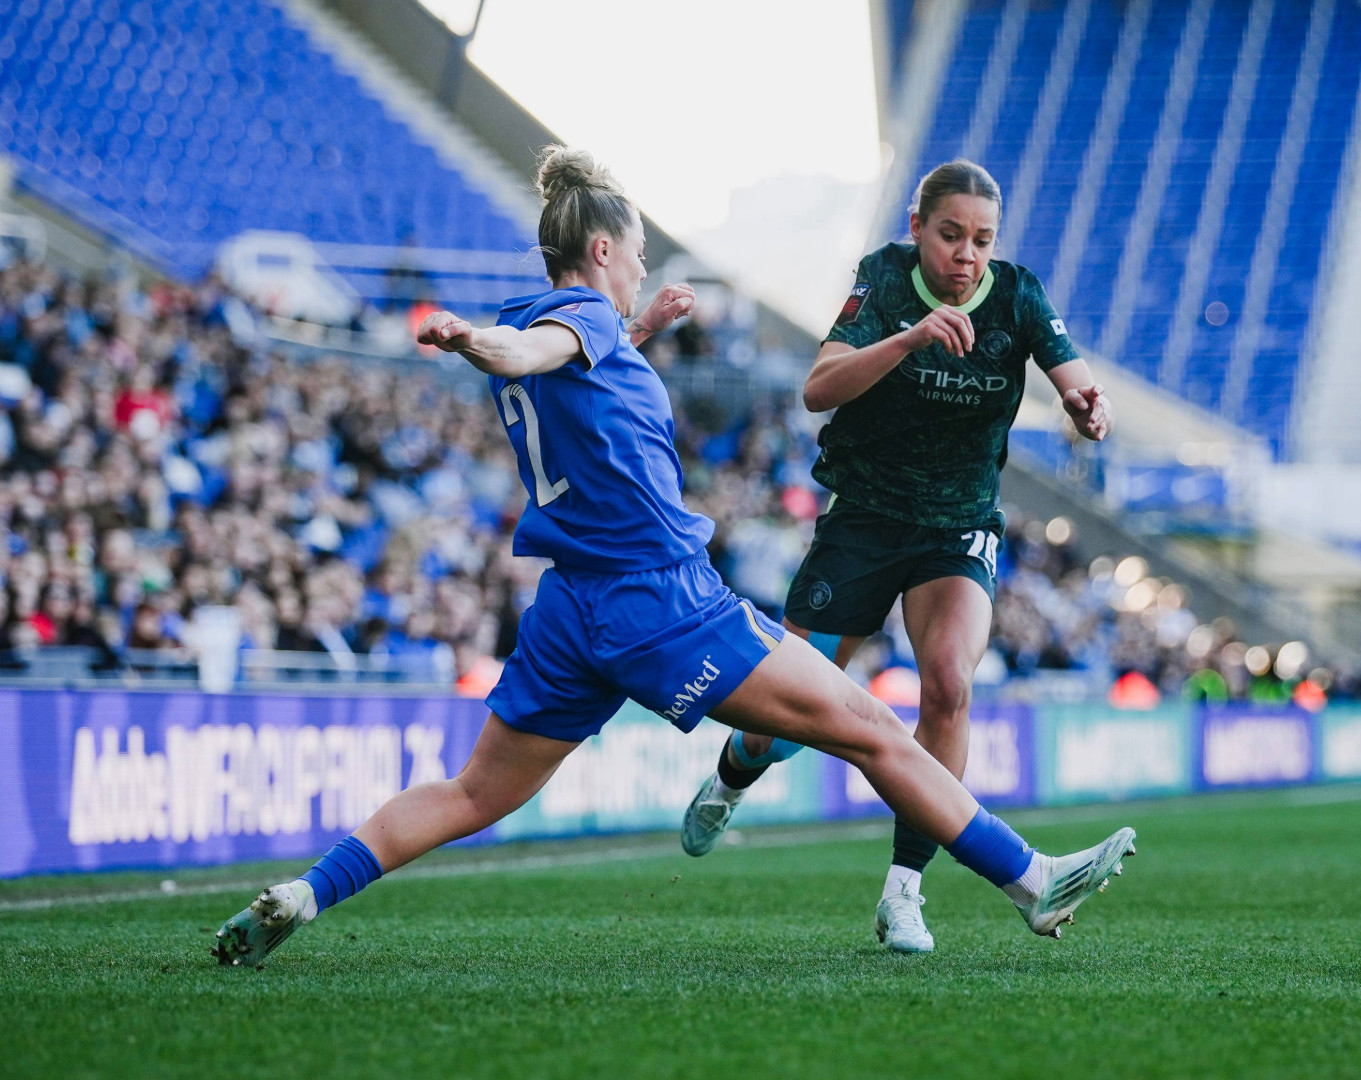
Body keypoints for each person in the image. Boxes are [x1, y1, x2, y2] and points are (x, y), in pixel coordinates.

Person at [211, 147, 1136, 969]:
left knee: (473, 792)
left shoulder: (571, 322)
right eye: (639, 252)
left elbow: (567, 365)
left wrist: (635, 328)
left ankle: (305, 892)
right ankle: (1031, 879)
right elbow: (527, 353)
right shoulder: (563, 321)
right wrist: (471, 342)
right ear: (602, 250)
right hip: (662, 600)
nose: (643, 266)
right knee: (871, 728)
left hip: (570, 611)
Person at [678, 160, 1112, 954]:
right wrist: (910, 335)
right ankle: (736, 770)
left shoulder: (1018, 294)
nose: (967, 255)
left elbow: (1076, 383)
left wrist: (1088, 406)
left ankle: (903, 892)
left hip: (958, 525)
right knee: (783, 717)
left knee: (948, 685)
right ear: (917, 230)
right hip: (866, 521)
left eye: (982, 240)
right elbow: (819, 388)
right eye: (951, 235)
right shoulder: (882, 279)